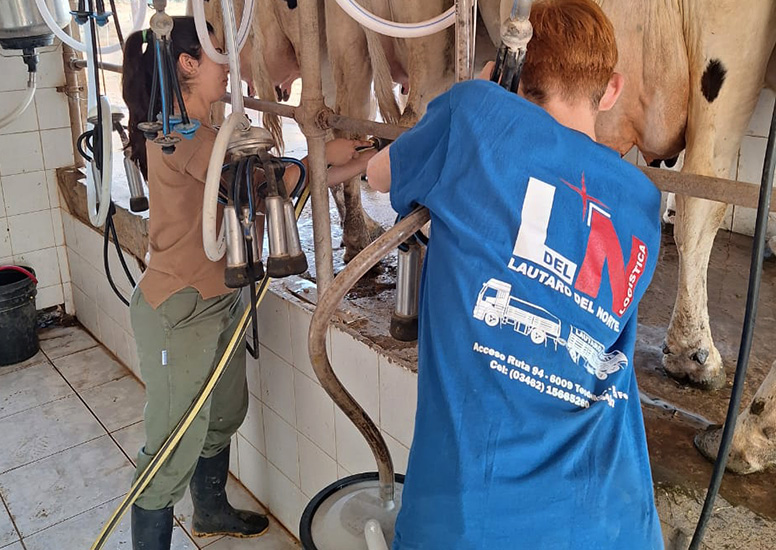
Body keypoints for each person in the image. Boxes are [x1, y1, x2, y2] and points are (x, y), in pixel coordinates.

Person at [367, 1, 664, 548]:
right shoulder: (643, 203)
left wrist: (486, 89)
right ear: (612, 89)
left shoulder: (476, 114)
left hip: (473, 521)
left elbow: (377, 174)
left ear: (510, 72)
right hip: (614, 520)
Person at [121, 16, 375, 549]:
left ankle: (210, 510)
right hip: (179, 309)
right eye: (218, 52)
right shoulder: (175, 136)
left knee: (224, 412)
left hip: (220, 299)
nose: (230, 64)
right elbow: (262, 185)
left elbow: (272, 187)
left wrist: (365, 160)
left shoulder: (206, 135)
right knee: (172, 443)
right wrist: (318, 155)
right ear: (187, 63)